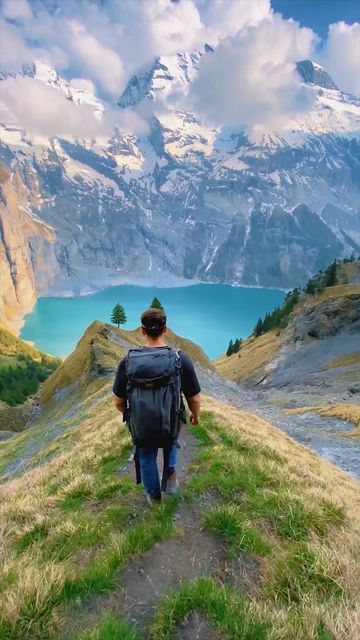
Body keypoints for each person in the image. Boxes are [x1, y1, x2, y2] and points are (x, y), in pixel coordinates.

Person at [113, 307, 201, 505]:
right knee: (171, 440)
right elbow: (194, 398)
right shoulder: (180, 359)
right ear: (165, 329)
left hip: (141, 425)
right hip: (169, 420)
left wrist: (129, 414)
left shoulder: (128, 362)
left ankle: (154, 498)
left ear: (142, 331)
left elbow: (118, 401)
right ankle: (170, 476)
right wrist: (195, 415)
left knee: (145, 456)